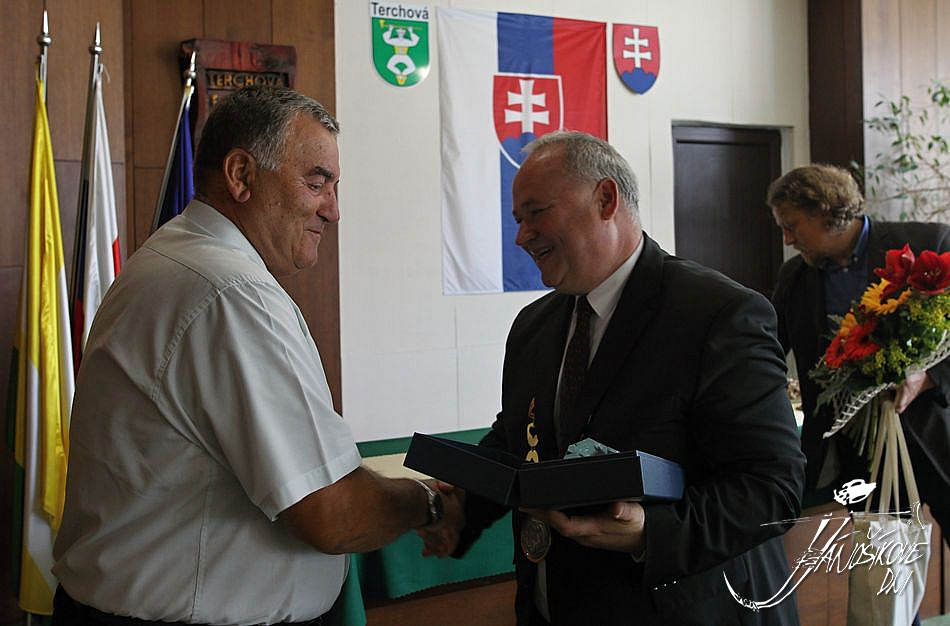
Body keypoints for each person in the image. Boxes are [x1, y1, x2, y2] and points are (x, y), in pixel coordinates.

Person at [51, 86, 457, 625]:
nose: (334, 210)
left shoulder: (172, 260)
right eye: (317, 182)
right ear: (241, 175)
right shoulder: (231, 292)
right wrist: (429, 503)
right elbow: (331, 512)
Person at [421, 131, 805, 625]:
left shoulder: (718, 314)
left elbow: (774, 489)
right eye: (518, 219)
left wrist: (651, 533)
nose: (522, 236)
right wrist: (464, 507)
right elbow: (521, 442)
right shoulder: (533, 325)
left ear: (605, 199)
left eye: (536, 213)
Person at [768, 163, 950, 541]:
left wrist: (929, 376)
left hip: (938, 429)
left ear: (823, 211)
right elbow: (768, 351)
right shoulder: (794, 278)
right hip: (863, 453)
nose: (787, 239)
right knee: (886, 567)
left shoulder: (929, 243)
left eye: (792, 225)